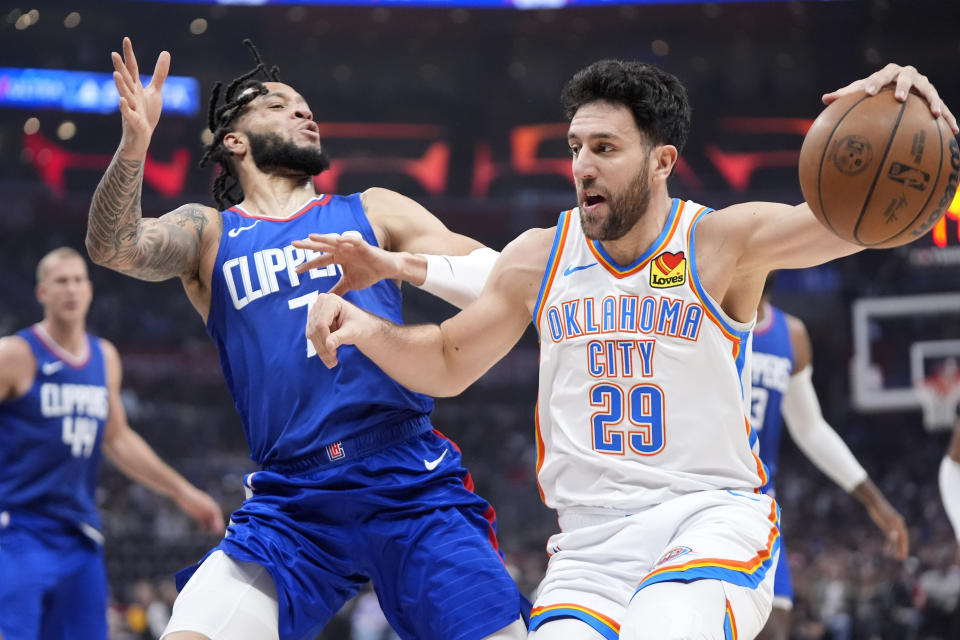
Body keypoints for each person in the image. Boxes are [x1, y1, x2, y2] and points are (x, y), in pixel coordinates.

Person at [303, 60, 956, 640]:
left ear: (662, 161)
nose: (582, 164)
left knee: (660, 626)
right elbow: (447, 360)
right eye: (576, 147)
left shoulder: (719, 242)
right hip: (589, 549)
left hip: (708, 520)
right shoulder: (539, 257)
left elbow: (854, 224)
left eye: (605, 147)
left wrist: (930, 137)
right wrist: (365, 329)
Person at [86, 38, 527, 640]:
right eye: (277, 105)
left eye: (304, 105)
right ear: (232, 140)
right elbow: (115, 247)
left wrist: (395, 266)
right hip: (291, 500)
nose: (302, 111)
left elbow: (505, 287)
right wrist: (134, 147)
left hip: (405, 476)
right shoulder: (210, 233)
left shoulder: (372, 210)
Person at [0, 247, 224, 640]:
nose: (70, 289)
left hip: (80, 534)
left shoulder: (104, 357)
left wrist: (184, 493)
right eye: (60, 281)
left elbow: (118, 438)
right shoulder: (15, 354)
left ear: (89, 290)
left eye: (77, 280)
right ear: (41, 293)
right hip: (19, 530)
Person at [751, 275, 908, 640]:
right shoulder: (702, 320)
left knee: (774, 626)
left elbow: (810, 429)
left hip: (758, 506)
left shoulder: (790, 334)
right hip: (701, 496)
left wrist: (876, 502)